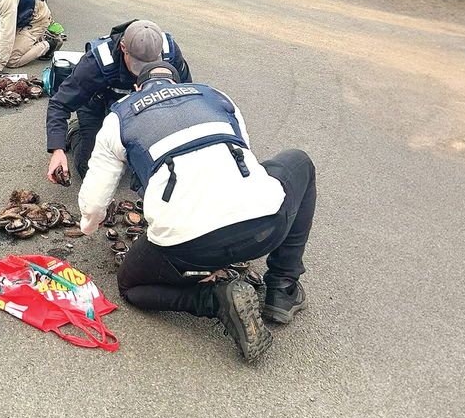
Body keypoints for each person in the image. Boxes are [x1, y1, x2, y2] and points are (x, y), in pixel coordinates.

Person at [77, 61, 316, 363]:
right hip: (265, 225)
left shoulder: (121, 115)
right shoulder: (215, 96)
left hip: (186, 246)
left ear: (137, 88)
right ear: (178, 84)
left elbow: (95, 203)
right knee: (300, 161)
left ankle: (213, 300)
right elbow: (244, 154)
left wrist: (89, 224)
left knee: (131, 286)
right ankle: (282, 287)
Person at [46, 19, 190, 183]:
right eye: (138, 65)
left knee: (166, 167)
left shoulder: (170, 53)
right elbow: (60, 103)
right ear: (123, 48)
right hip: (99, 105)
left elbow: (184, 97)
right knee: (93, 172)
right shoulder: (96, 63)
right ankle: (75, 132)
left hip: (147, 105)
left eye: (150, 65)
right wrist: (57, 149)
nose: (141, 72)